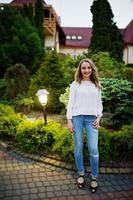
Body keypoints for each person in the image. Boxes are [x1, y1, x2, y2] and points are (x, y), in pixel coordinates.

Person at [66, 58, 103, 193]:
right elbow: (70, 103)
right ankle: (81, 174)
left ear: (92, 69)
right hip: (77, 118)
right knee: (79, 146)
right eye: (83, 68)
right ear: (80, 70)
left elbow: (99, 104)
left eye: (88, 68)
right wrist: (69, 120)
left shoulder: (96, 85)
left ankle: (94, 177)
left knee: (93, 148)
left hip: (92, 119)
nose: (86, 70)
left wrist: (99, 117)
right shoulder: (75, 84)